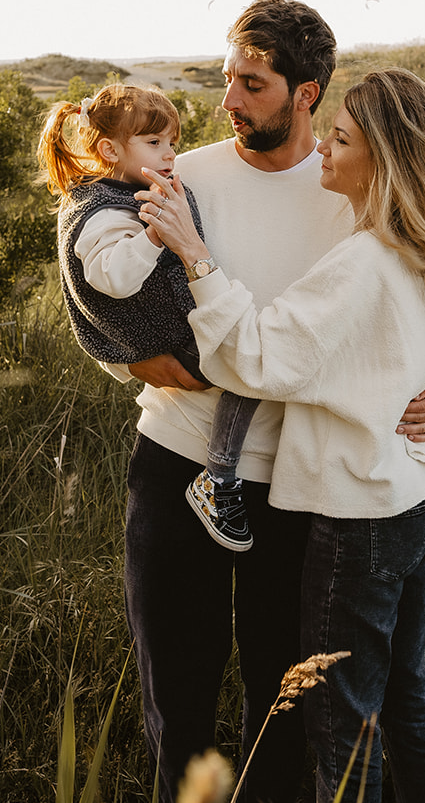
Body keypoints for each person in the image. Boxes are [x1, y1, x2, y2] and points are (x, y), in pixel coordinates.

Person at [141, 66, 425, 803]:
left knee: (338, 713)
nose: (329, 151)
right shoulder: (415, 241)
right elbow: (415, 360)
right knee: (403, 687)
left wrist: (196, 255)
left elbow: (262, 359)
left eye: (344, 139)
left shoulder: (363, 257)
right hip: (411, 492)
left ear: (382, 158)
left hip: (355, 512)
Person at [36, 83, 259, 550]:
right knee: (253, 366)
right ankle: (219, 476)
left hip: (184, 337)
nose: (170, 154)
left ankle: (220, 473)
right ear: (110, 150)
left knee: (253, 362)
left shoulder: (137, 189)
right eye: (154, 143)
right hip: (173, 354)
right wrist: (157, 237)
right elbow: (111, 279)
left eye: (172, 143)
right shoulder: (101, 210)